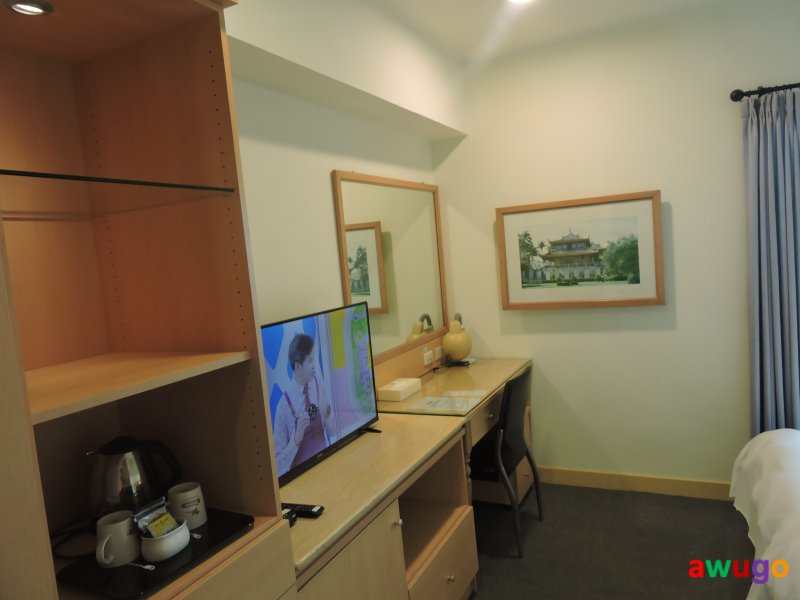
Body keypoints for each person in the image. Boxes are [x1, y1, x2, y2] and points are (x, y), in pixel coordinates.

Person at [273, 333, 334, 475]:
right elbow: (277, 466)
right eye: (310, 361)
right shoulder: (283, 406)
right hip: (301, 476)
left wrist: (328, 415)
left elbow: (332, 432)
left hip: (326, 464)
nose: (314, 366)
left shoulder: (319, 383)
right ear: (298, 366)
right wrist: (295, 440)